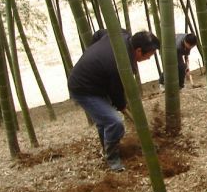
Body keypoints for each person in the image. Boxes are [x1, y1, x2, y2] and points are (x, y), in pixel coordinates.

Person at [68, 30, 160, 171]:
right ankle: (112, 157)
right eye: (150, 55)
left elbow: (99, 34)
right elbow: (116, 92)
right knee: (114, 122)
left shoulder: (121, 34)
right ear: (139, 51)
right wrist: (121, 105)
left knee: (104, 121)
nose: (149, 59)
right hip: (83, 88)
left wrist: (93, 53)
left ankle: (106, 148)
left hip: (99, 82)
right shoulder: (119, 63)